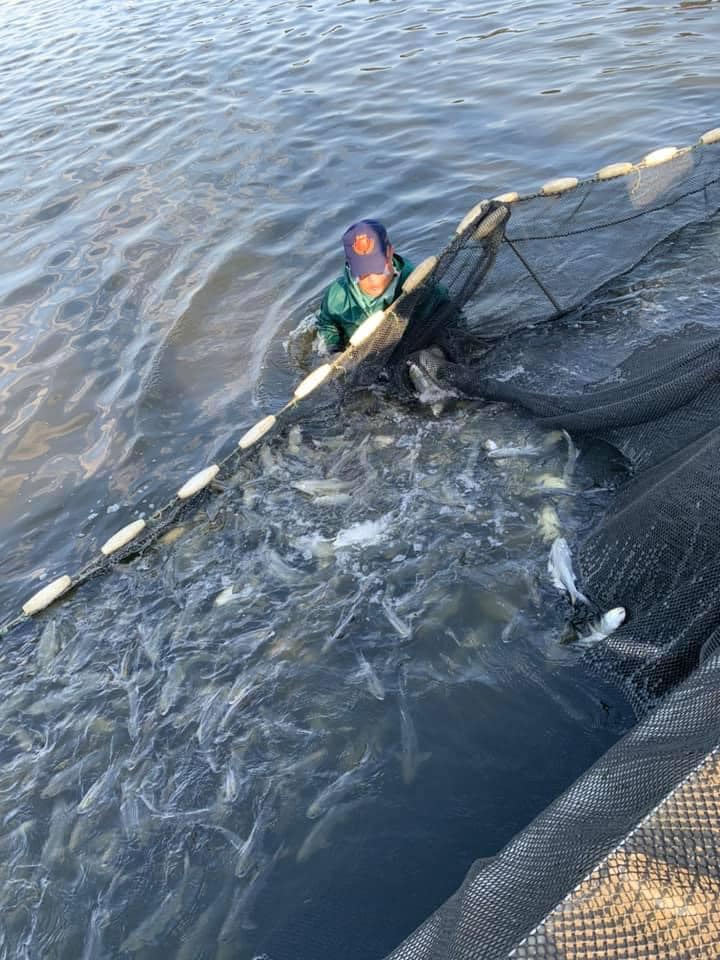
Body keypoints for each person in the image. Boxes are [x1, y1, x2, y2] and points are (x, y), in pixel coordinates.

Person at [315, 219, 415, 353]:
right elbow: (326, 324)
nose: (372, 278)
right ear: (350, 265)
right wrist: (333, 348)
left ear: (390, 251)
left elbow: (443, 305)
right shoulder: (337, 297)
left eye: (377, 267)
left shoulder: (415, 281)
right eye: (363, 271)